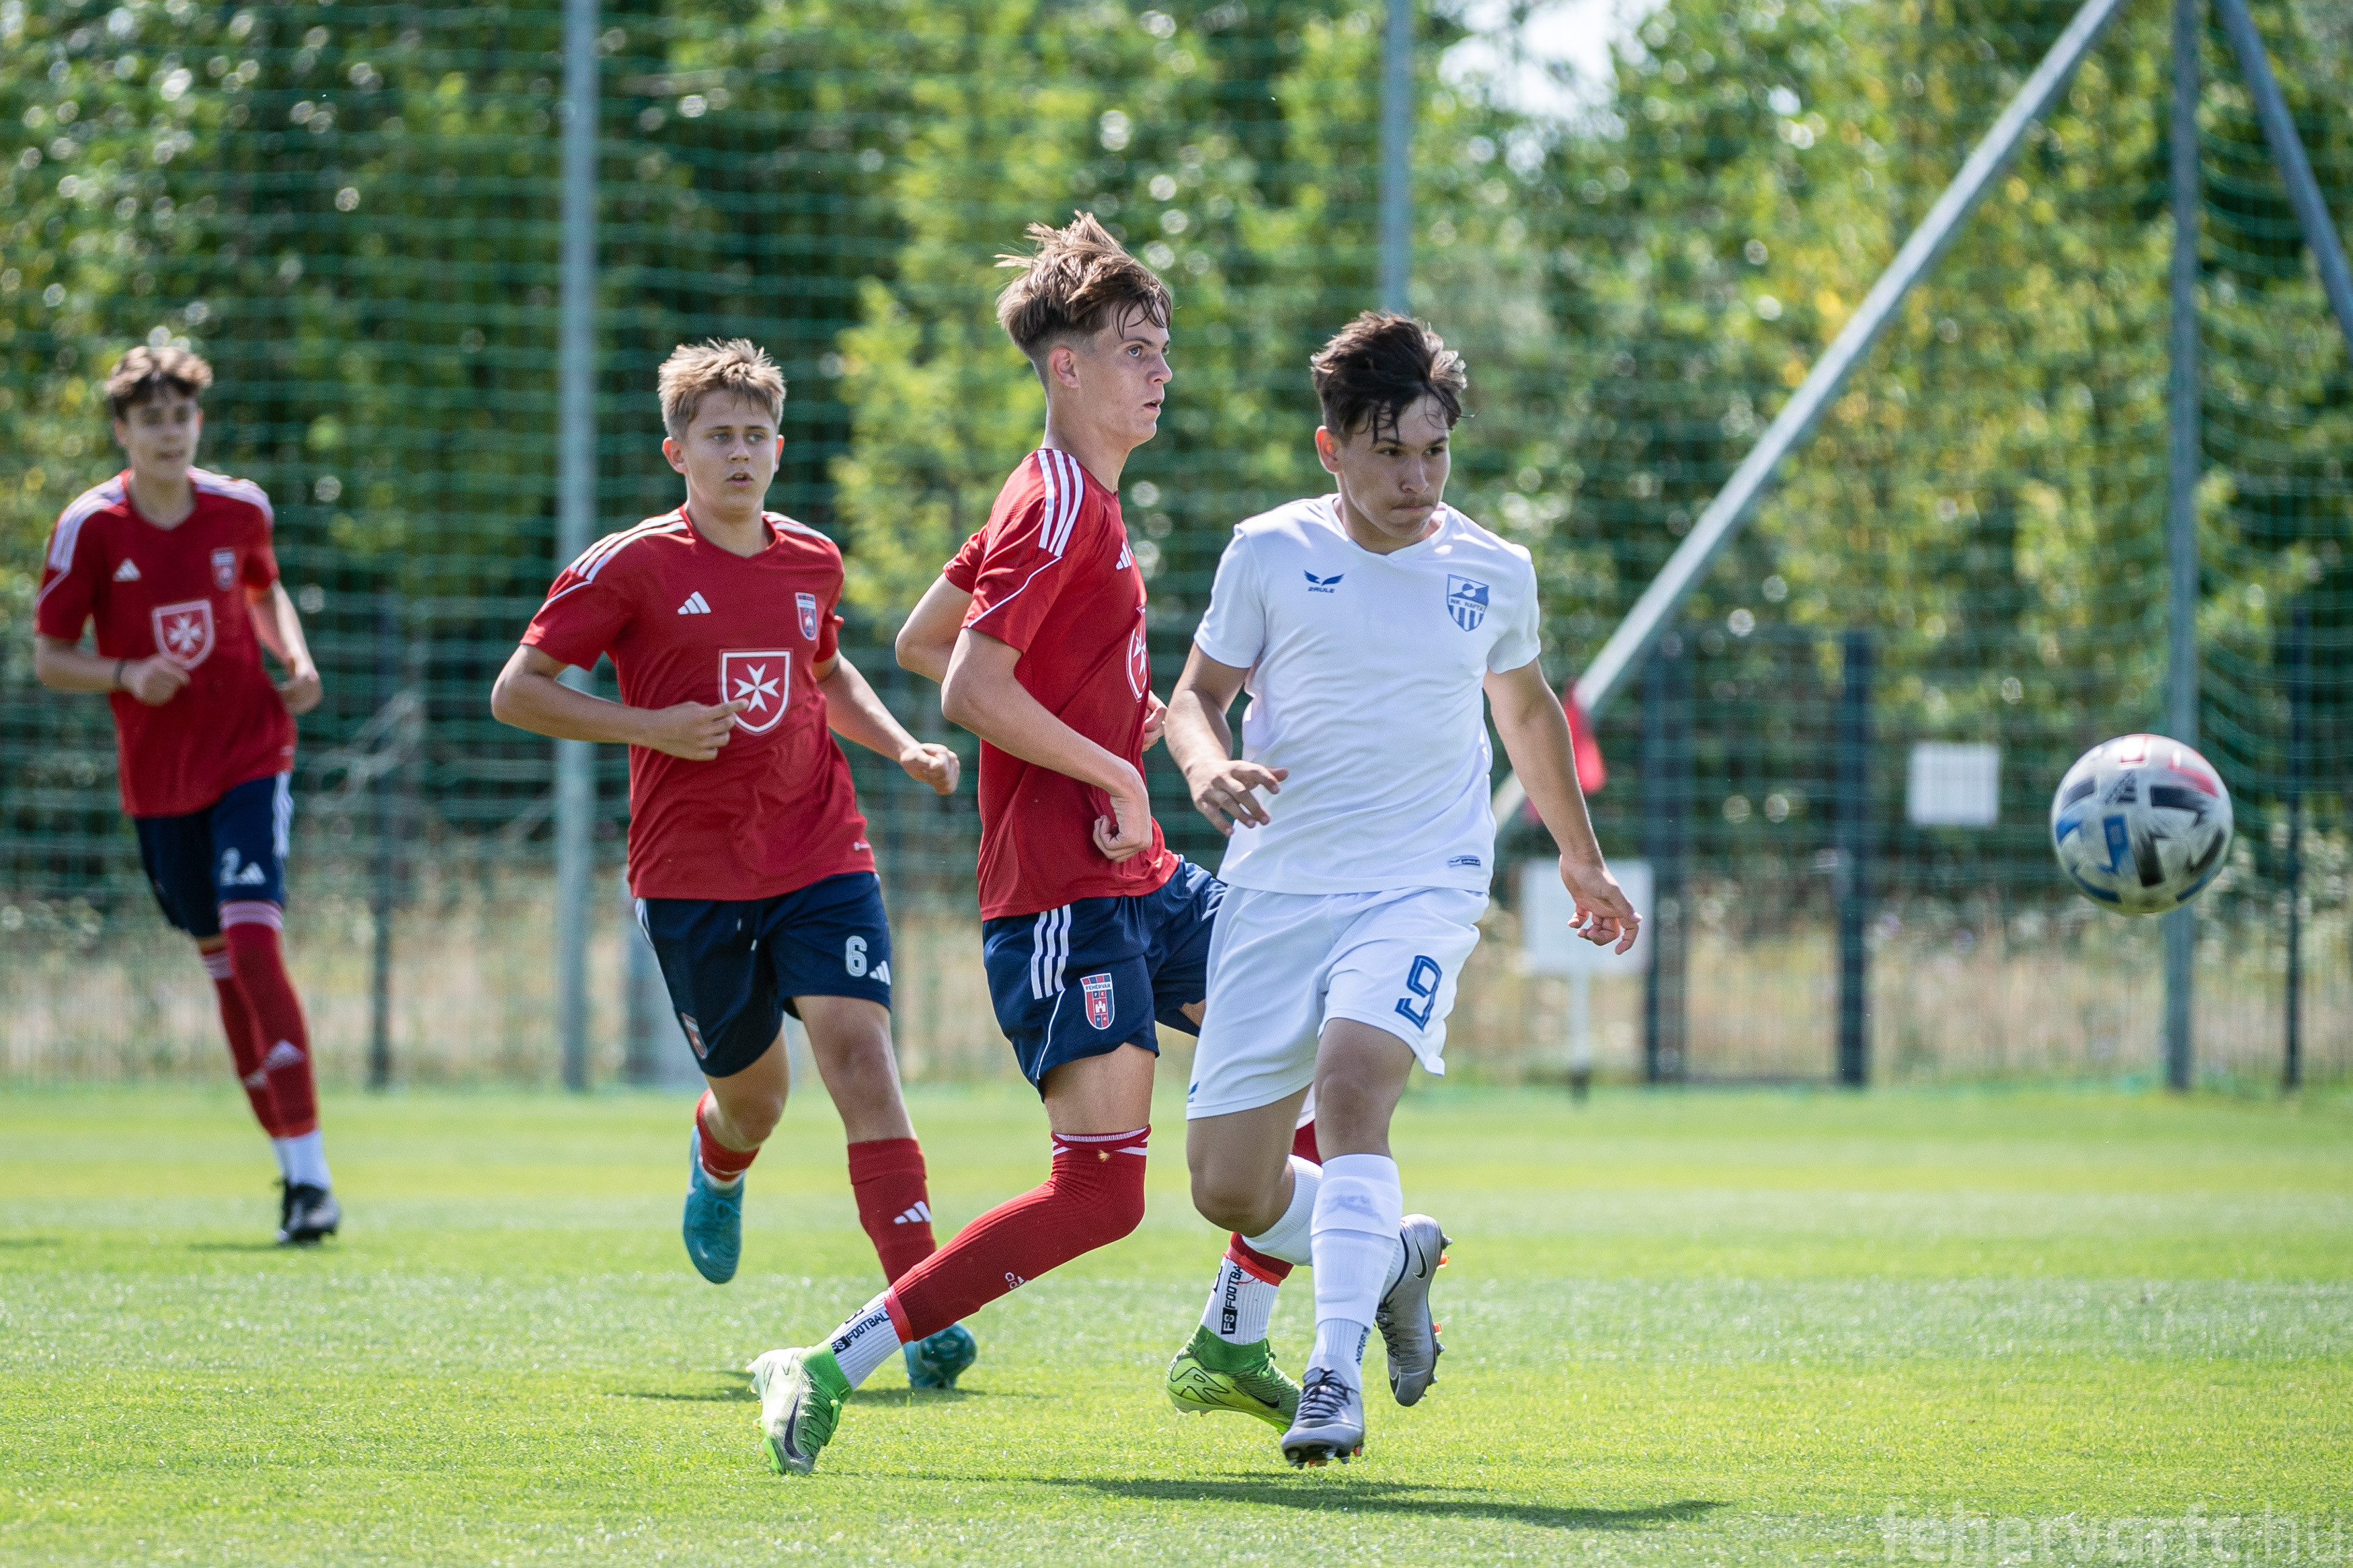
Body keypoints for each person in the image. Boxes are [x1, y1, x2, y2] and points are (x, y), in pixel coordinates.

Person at [748, 214, 1285, 1476]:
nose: (1161, 372)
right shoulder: (1055, 504)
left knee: (1311, 1019)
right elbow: (963, 685)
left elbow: (923, 635)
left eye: (1162, 348)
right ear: (1067, 369)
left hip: (1137, 878)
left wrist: (1104, 718)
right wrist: (1113, 766)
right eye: (1137, 350)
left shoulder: (1062, 494)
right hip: (1061, 898)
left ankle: (1239, 1330)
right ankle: (826, 1362)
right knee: (1101, 1194)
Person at [1163, 312, 1640, 1466]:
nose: (1418, 480)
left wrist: (1580, 856)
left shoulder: (1493, 568)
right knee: (1227, 1186)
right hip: (1277, 892)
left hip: (1419, 887)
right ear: (1330, 448)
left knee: (1352, 1089)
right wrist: (1207, 764)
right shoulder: (1267, 551)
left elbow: (1525, 711)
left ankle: (1332, 1374)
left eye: (1435, 452)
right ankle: (1392, 1257)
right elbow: (1194, 696)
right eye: (1390, 453)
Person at [489, 339, 977, 1388]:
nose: (741, 452)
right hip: (691, 878)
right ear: (678, 452)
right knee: (757, 1100)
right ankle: (718, 1162)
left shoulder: (812, 559)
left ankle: (923, 1309)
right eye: (719, 436)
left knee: (863, 1061)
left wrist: (901, 745)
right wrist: (649, 726)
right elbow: (517, 690)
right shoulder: (630, 565)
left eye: (757, 435)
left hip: (820, 850)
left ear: (780, 448)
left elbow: (825, 670)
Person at [32, 346, 338, 1245]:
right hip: (161, 784)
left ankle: (314, 1180)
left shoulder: (240, 507)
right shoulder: (89, 527)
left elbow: (264, 590)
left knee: (253, 940)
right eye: (150, 419)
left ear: (198, 423)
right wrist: (126, 672)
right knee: (223, 967)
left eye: (181, 416)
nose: (169, 433)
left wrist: (295, 657)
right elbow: (51, 656)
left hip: (251, 753)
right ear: (122, 432)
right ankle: (290, 1170)